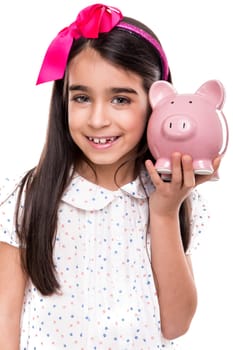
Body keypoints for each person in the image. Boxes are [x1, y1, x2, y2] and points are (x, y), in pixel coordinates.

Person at [0, 3, 221, 349]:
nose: (98, 119)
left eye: (120, 99)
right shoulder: (27, 196)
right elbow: (5, 320)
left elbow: (176, 323)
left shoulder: (170, 197)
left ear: (157, 102)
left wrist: (164, 212)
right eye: (82, 97)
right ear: (63, 102)